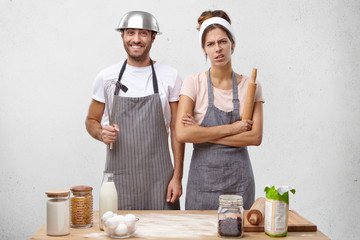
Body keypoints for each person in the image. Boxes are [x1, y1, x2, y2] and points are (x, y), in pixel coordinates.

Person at [85, 11, 184, 210]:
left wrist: (177, 177)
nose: (136, 39)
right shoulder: (107, 77)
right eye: (130, 33)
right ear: (122, 35)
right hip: (120, 180)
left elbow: (177, 130)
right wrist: (100, 133)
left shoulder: (170, 75)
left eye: (143, 34)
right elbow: (91, 120)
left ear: (153, 37)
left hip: (160, 180)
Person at [175, 10, 264, 210]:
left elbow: (255, 137)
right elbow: (181, 133)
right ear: (204, 49)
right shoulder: (193, 83)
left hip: (239, 184)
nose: (218, 49)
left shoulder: (251, 86)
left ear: (232, 43)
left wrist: (200, 133)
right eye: (210, 44)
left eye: (222, 41)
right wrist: (234, 128)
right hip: (201, 185)